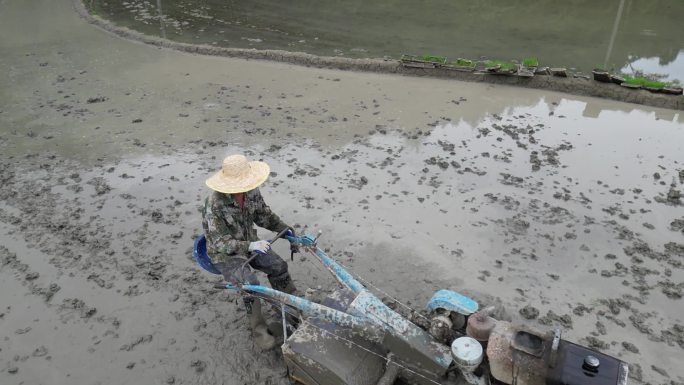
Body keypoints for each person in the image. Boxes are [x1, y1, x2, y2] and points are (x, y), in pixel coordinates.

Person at [202, 154, 297, 349]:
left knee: (278, 266)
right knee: (250, 284)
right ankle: (258, 329)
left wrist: (284, 229)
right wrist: (249, 246)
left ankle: (291, 304)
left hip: (250, 241)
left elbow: (264, 215)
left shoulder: (252, 192)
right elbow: (220, 242)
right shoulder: (214, 205)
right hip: (225, 253)